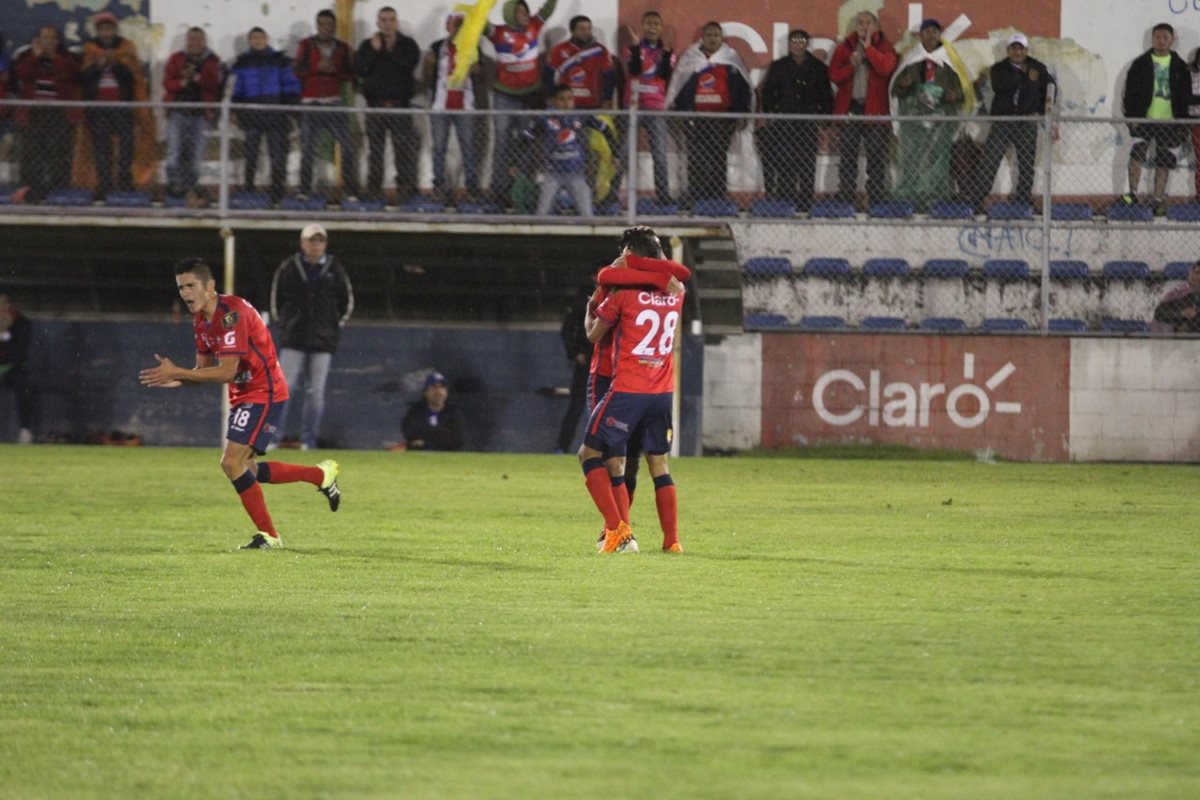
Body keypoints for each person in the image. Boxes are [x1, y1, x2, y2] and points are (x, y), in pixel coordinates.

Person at [139, 258, 342, 551]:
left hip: (264, 391)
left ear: (210, 286)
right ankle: (320, 475)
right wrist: (179, 379)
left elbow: (226, 372)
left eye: (191, 285)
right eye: (181, 288)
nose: (185, 293)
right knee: (248, 470)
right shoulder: (201, 320)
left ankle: (268, 536)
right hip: (244, 394)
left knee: (231, 463)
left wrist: (179, 372)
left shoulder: (231, 314)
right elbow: (203, 371)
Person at [580, 225, 687, 554]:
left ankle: (618, 530)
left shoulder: (621, 294)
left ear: (628, 254)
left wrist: (593, 302)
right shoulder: (676, 292)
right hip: (661, 390)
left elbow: (593, 334)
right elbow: (673, 274)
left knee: (598, 456)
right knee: (658, 464)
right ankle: (671, 541)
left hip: (622, 385)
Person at [270, 224, 354, 451]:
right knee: (284, 387)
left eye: (319, 241)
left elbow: (346, 301)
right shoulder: (289, 267)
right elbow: (277, 300)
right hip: (294, 337)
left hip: (323, 340)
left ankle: (309, 440)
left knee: (316, 392)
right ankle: (273, 437)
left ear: (325, 244)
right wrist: (285, 325)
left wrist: (332, 327)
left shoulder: (335, 268)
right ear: (302, 243)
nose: (315, 245)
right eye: (311, 240)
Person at [964, 34, 1056, 211]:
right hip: (1003, 122)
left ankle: (1023, 200)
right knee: (990, 160)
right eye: (1014, 48)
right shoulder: (999, 68)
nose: (1017, 52)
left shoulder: (1038, 67)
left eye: (1021, 48)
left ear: (1026, 50)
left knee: (1027, 163)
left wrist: (1040, 109)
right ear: (1008, 50)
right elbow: (1001, 86)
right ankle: (977, 200)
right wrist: (1028, 78)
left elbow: (1050, 88)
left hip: (1026, 121)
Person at [665, 21, 752, 208]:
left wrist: (742, 113)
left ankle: (716, 199)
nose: (712, 39)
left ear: (722, 38)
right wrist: (679, 112)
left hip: (723, 119)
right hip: (696, 119)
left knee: (718, 158)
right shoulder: (691, 58)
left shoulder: (731, 59)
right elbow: (679, 87)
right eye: (709, 35)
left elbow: (742, 90)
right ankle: (696, 198)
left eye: (716, 35)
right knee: (696, 159)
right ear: (702, 38)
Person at [484, 0, 558, 204]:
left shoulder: (534, 25)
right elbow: (479, 23)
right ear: (509, 12)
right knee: (502, 143)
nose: (524, 14)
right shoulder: (497, 32)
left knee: (526, 143)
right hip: (504, 96)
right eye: (519, 11)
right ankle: (499, 190)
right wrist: (480, 8)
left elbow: (548, 9)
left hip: (530, 96)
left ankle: (523, 189)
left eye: (526, 10)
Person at [891, 18, 966, 211]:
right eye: (927, 32)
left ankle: (937, 194)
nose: (931, 35)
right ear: (921, 35)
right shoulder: (911, 59)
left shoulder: (950, 60)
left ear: (939, 35)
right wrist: (903, 85)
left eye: (934, 31)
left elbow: (962, 90)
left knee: (938, 157)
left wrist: (954, 95)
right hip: (914, 122)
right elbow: (896, 89)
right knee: (912, 156)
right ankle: (910, 194)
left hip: (941, 122)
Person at [756, 28, 832, 212]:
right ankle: (785, 201)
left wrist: (825, 119)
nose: (798, 45)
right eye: (794, 41)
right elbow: (768, 91)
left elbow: (826, 95)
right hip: (784, 122)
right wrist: (771, 113)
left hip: (808, 121)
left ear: (807, 44)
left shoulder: (819, 67)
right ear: (789, 44)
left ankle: (805, 204)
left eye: (801, 41)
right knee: (785, 161)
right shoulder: (779, 66)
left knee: (807, 162)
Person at [829, 11, 897, 208]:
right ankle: (845, 197)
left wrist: (869, 49)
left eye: (868, 23)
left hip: (875, 111)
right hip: (851, 108)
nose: (864, 26)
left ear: (875, 26)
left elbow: (886, 68)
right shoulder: (844, 48)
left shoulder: (885, 47)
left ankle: (875, 197)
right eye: (860, 22)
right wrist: (851, 65)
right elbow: (834, 76)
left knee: (876, 157)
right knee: (848, 155)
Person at [1121, 23, 1190, 215]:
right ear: (1152, 39)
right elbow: (1129, 93)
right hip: (1143, 120)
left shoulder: (1180, 66)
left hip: (1171, 122)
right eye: (1157, 37)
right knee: (1136, 156)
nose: (1161, 41)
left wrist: (1183, 123)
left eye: (1165, 37)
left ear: (1172, 40)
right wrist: (1131, 117)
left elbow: (1186, 96)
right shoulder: (1140, 64)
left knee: (1164, 161)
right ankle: (1133, 194)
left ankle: (1158, 199)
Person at [356, 6, 420, 204]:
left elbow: (408, 66)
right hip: (376, 106)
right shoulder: (367, 45)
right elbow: (360, 69)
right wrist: (375, 51)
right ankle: (374, 189)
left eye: (391, 20)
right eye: (383, 20)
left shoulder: (408, 44)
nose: (388, 24)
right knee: (375, 151)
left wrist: (389, 50)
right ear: (378, 23)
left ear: (396, 22)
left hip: (400, 105)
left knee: (404, 151)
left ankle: (405, 189)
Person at [294, 9, 359, 201]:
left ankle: (350, 189)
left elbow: (350, 74)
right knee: (307, 148)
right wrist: (316, 68)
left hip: (334, 101)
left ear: (335, 27)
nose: (326, 28)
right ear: (317, 26)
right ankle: (304, 189)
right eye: (322, 24)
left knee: (347, 146)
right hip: (310, 103)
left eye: (329, 24)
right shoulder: (306, 45)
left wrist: (335, 70)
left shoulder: (343, 48)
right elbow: (297, 70)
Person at [80, 12, 146, 198]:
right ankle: (104, 182)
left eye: (109, 29)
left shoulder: (126, 48)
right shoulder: (89, 50)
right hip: (98, 107)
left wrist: (115, 64)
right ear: (98, 31)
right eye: (102, 29)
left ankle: (124, 181)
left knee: (126, 145)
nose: (106, 33)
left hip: (121, 106)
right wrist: (98, 66)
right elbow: (83, 78)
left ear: (115, 30)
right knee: (102, 146)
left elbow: (132, 77)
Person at [230, 27, 300, 204]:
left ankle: (277, 189)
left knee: (277, 154)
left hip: (276, 113)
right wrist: (235, 110)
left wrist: (291, 109)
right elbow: (235, 88)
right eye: (254, 38)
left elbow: (290, 84)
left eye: (260, 37)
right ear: (249, 41)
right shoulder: (242, 62)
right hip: (251, 114)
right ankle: (248, 188)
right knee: (250, 153)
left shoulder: (279, 60)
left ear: (266, 39)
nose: (258, 40)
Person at [11, 25, 80, 204]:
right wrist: (37, 57)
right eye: (45, 37)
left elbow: (70, 74)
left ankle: (56, 189)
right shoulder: (27, 56)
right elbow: (22, 74)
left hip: (57, 111)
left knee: (57, 150)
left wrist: (53, 57)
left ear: (58, 41)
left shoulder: (66, 58)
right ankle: (30, 189)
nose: (49, 41)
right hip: (33, 111)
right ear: (38, 40)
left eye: (52, 38)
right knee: (32, 151)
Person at [423, 13, 486, 203]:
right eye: (455, 25)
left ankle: (472, 188)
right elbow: (427, 76)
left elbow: (481, 78)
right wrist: (428, 64)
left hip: (465, 105)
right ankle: (439, 187)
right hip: (440, 105)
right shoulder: (437, 47)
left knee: (468, 148)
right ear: (447, 26)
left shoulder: (473, 47)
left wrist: (477, 70)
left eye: (461, 25)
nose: (458, 29)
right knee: (439, 148)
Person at [526, 83, 610, 216]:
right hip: (552, 173)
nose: (566, 103)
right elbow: (527, 137)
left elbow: (605, 129)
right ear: (554, 101)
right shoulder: (545, 117)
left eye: (570, 99)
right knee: (542, 211)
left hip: (576, 173)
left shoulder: (581, 115)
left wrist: (616, 153)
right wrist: (522, 163)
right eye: (562, 99)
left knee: (587, 214)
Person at [162, 27, 223, 200]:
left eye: (198, 39)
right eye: (192, 39)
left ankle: (190, 186)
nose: (195, 42)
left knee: (196, 155)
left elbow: (214, 85)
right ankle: (175, 184)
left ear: (204, 41)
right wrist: (183, 82)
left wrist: (196, 78)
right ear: (186, 41)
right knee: (174, 152)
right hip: (178, 112)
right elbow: (167, 83)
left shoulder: (213, 61)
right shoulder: (176, 58)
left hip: (201, 115)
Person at [623, 11, 675, 204]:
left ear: (661, 28)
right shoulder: (632, 48)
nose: (652, 27)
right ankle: (610, 195)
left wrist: (667, 52)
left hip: (655, 109)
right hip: (633, 107)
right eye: (648, 23)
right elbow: (635, 70)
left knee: (659, 155)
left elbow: (663, 75)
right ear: (643, 26)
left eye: (656, 24)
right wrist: (636, 48)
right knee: (624, 153)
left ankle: (663, 196)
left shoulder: (668, 52)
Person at [547, 15, 616, 111]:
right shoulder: (560, 49)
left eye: (588, 29)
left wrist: (607, 98)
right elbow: (549, 74)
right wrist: (551, 96)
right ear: (572, 31)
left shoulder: (601, 50)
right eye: (581, 29)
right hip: (568, 106)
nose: (586, 32)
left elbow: (609, 76)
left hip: (594, 105)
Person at [0, 288, 35, 444]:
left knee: (24, 386)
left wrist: (4, 333)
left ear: (10, 304)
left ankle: (25, 430)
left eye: (3, 303)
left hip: (13, 367)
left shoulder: (22, 323)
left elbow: (19, 352)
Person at [401, 371, 466, 451]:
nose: (438, 391)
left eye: (442, 387)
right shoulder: (415, 413)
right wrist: (441, 434)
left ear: (446, 392)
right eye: (433, 387)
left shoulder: (454, 414)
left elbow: (458, 439)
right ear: (425, 392)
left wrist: (426, 442)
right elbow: (411, 435)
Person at [1152, 261, 1200, 333]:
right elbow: (1159, 312)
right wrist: (1182, 313)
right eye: (1197, 273)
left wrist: (1187, 326)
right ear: (1192, 274)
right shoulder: (1181, 292)